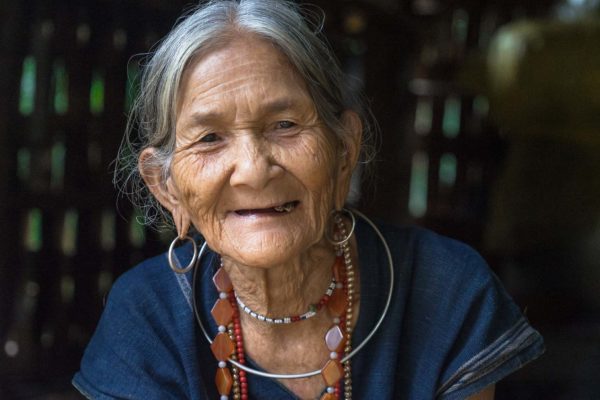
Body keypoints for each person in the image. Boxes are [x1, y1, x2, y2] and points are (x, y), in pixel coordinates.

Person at [72, 1, 544, 399]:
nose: (254, 168)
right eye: (211, 137)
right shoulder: (146, 316)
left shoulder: (446, 291)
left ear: (344, 151)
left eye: (285, 125)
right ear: (166, 185)